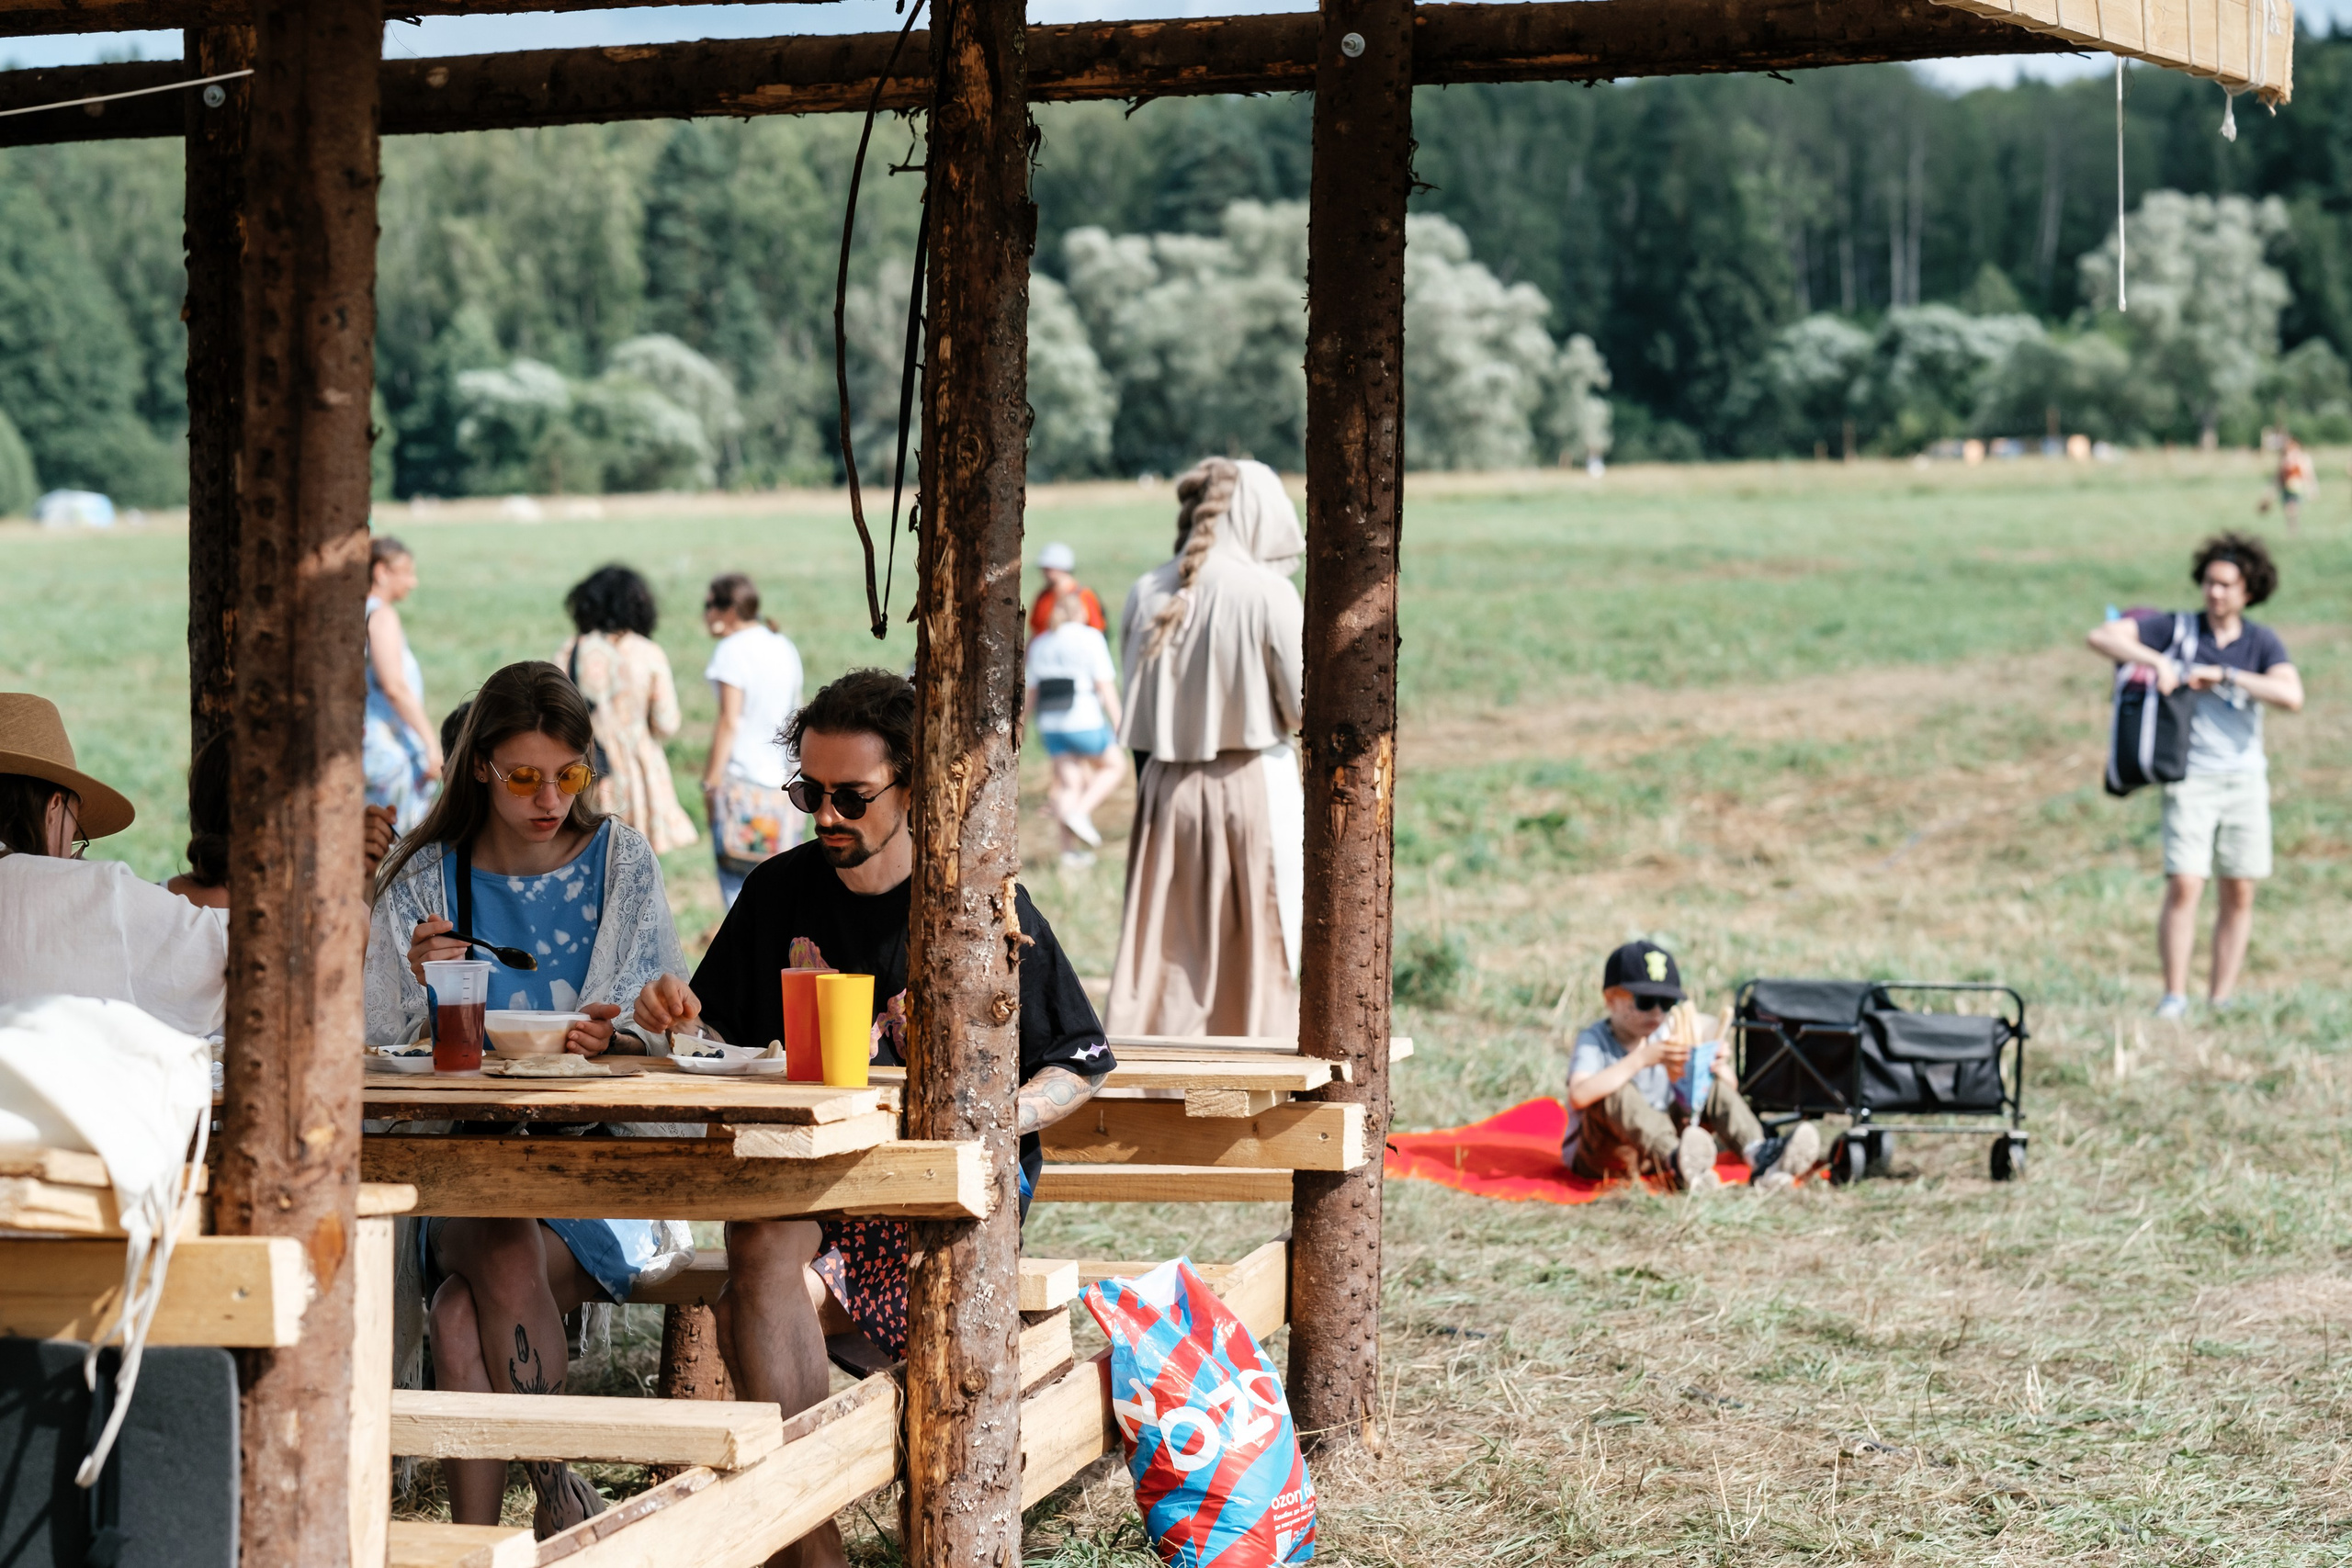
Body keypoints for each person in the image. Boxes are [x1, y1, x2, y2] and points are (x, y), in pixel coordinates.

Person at [631, 669, 1112, 1568]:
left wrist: (991, 1121)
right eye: (806, 792)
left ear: (913, 788)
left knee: (754, 1295)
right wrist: (667, 1025)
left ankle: (801, 1531)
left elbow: (1079, 1059)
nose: (823, 815)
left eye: (848, 796)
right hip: (818, 1180)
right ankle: (814, 1545)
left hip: (939, 1185)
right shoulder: (780, 893)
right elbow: (714, 1036)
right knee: (759, 1246)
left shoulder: (973, 905)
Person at [365, 662, 695, 1537]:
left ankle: (489, 1536)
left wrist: (620, 1035)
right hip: (464, 1169)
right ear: (479, 766)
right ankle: (554, 1494)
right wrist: (416, 984)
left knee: (463, 1301)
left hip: (601, 1171)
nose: (548, 797)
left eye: (569, 775)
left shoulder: (619, 859)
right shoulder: (426, 881)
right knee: (490, 1249)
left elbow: (661, 1019)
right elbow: (380, 1050)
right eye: (523, 776)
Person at [1107, 457, 1305, 1037]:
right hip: (1252, 786)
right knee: (1262, 946)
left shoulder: (1144, 591)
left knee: (1167, 955)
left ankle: (1154, 1093)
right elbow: (1301, 708)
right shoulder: (1270, 594)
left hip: (1162, 792)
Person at [2086, 533, 2303, 1018]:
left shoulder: (2259, 641)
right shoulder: (2178, 629)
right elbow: (2102, 636)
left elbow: (2292, 695)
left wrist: (2225, 676)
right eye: (2209, 582)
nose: (2215, 592)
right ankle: (2174, 994)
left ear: (2249, 591)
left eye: (2227, 585)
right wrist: (2158, 660)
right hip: (2192, 778)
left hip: (2245, 779)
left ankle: (2220, 997)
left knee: (2240, 888)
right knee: (2185, 882)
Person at [0, 694, 229, 1037]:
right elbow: (221, 949)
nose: (71, 855)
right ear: (54, 807)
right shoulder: (98, 895)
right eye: (75, 833)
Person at [1563, 942, 1821, 1192]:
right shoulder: (1595, 1039)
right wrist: (1640, 1059)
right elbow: (1579, 1094)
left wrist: (1715, 1066)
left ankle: (1760, 1155)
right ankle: (1679, 1161)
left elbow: (1725, 1090)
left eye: (1666, 1004)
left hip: (1661, 1146)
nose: (1656, 1013)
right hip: (1606, 1156)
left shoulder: (1672, 1030)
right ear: (1610, 1000)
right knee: (1613, 1092)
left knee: (1713, 1086)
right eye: (1644, 1001)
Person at [557, 564, 698, 855]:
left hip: (588, 769)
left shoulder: (570, 650)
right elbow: (666, 722)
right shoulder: (647, 653)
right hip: (640, 772)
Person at [700, 572, 805, 908]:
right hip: (781, 787)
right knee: (781, 891)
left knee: (738, 897)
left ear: (728, 610)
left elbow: (730, 720)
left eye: (708, 605)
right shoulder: (782, 644)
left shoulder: (730, 651)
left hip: (741, 786)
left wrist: (710, 782)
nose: (704, 614)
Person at [1025, 588, 1125, 867]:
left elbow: (1031, 691)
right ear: (1081, 612)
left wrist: (1021, 727)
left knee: (1070, 783)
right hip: (1084, 720)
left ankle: (1068, 854)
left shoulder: (1042, 643)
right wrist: (1119, 722)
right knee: (1114, 766)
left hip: (1050, 725)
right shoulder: (1091, 638)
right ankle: (1080, 812)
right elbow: (1104, 685)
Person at [365, 536, 441, 831]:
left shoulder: (348, 614)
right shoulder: (380, 615)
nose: (413, 582)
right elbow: (394, 686)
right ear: (381, 571)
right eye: (406, 572)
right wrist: (430, 743)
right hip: (388, 753)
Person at [1026, 540, 1106, 638]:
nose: (1044, 573)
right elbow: (1035, 632)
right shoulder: (1043, 596)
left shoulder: (1084, 595)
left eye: (1048, 569)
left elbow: (1097, 632)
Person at [2275, 435, 2316, 534]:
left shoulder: (2302, 459)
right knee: (2287, 511)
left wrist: (2312, 490)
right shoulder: (2283, 460)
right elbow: (2278, 477)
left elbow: (2308, 475)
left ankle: (2293, 530)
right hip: (2286, 488)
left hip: (2297, 488)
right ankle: (2292, 529)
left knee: (2292, 509)